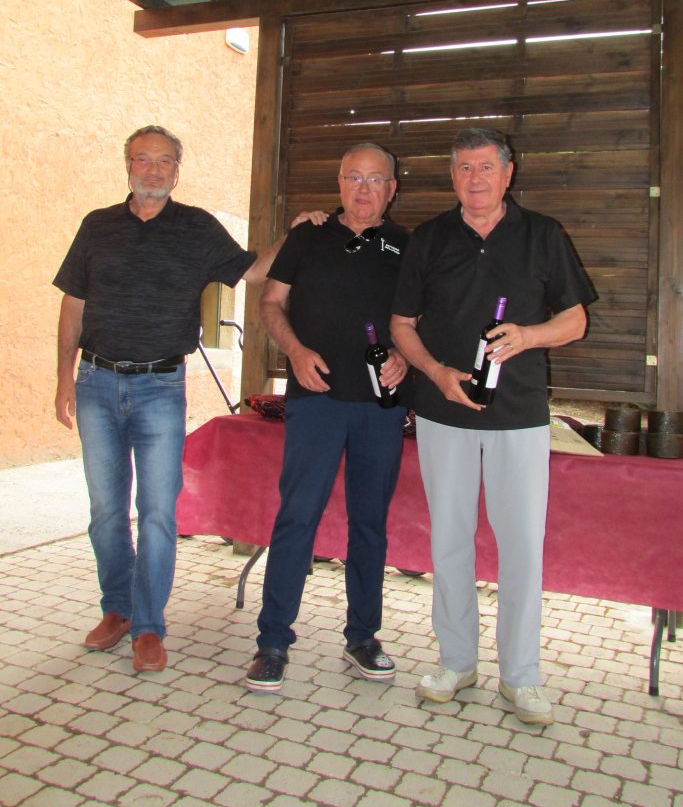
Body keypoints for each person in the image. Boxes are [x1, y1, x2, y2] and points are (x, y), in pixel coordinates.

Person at [54, 125, 321, 673]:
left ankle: (149, 626)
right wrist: (63, 378)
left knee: (157, 512)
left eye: (164, 161)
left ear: (178, 170)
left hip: (159, 388)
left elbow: (253, 271)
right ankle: (117, 608)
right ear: (127, 164)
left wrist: (294, 234)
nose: (153, 169)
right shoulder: (97, 226)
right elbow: (73, 306)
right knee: (106, 511)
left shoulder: (196, 227)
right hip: (97, 382)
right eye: (143, 159)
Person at [390, 127, 595, 726]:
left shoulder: (543, 235)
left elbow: (576, 321)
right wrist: (434, 372)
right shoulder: (429, 239)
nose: (474, 178)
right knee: (449, 540)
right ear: (452, 177)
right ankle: (456, 662)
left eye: (485, 167)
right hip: (444, 410)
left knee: (522, 546)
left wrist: (528, 336)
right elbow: (401, 324)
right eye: (463, 168)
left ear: (508, 174)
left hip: (520, 415)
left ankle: (521, 676)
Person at [245, 142, 410, 693]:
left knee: (369, 523)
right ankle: (272, 642)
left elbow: (422, 319)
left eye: (375, 179)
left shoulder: (408, 247)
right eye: (353, 177)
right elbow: (270, 302)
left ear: (392, 188)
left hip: (379, 408)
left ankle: (363, 637)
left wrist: (405, 356)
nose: (364, 189)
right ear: (339, 183)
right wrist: (294, 351)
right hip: (315, 400)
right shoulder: (308, 236)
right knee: (297, 516)